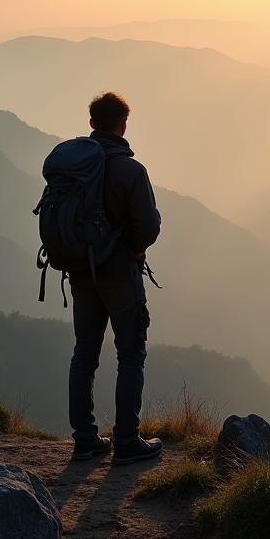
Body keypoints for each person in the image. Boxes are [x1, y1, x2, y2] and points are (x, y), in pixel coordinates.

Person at [68, 92, 163, 465]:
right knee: (130, 354)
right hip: (120, 272)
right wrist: (136, 248)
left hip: (80, 271)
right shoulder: (131, 171)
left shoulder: (73, 167)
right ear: (123, 124)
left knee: (84, 354)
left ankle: (85, 440)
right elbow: (148, 226)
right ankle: (126, 441)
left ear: (92, 123)